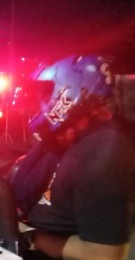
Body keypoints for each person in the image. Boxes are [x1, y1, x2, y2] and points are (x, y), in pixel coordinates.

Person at [11, 54, 135, 260]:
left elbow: (105, 254)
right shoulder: (72, 135)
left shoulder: (104, 155)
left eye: (46, 93)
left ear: (69, 91)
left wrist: (27, 235)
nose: (40, 102)